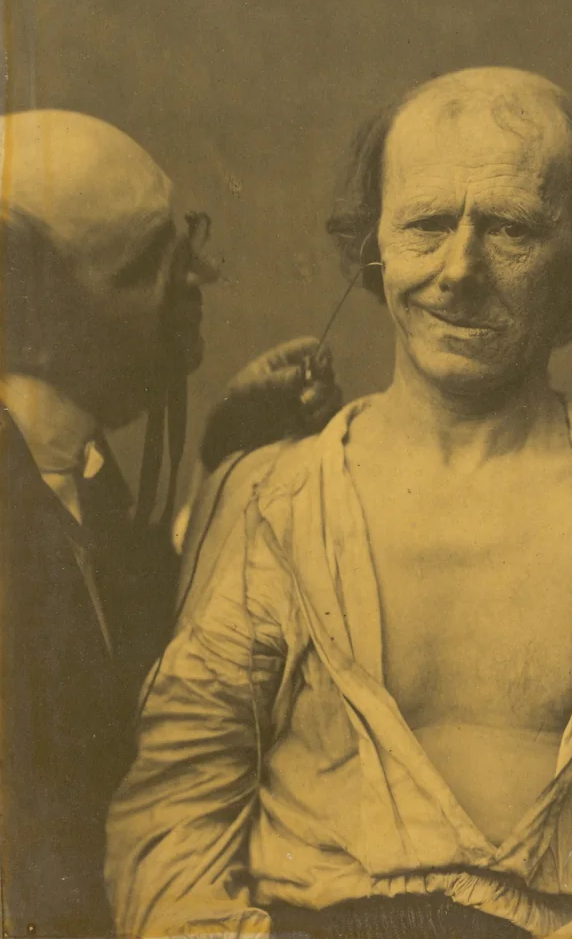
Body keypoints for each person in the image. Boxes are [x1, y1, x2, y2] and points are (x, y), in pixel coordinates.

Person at [106, 69, 572, 939]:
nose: (458, 272)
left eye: (510, 230)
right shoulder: (269, 498)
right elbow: (168, 831)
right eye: (426, 225)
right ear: (373, 248)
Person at [0, 110, 339, 939]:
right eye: (154, 262)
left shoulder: (81, 473)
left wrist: (222, 455)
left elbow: (117, 646)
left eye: (186, 244)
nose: (202, 275)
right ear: (28, 303)